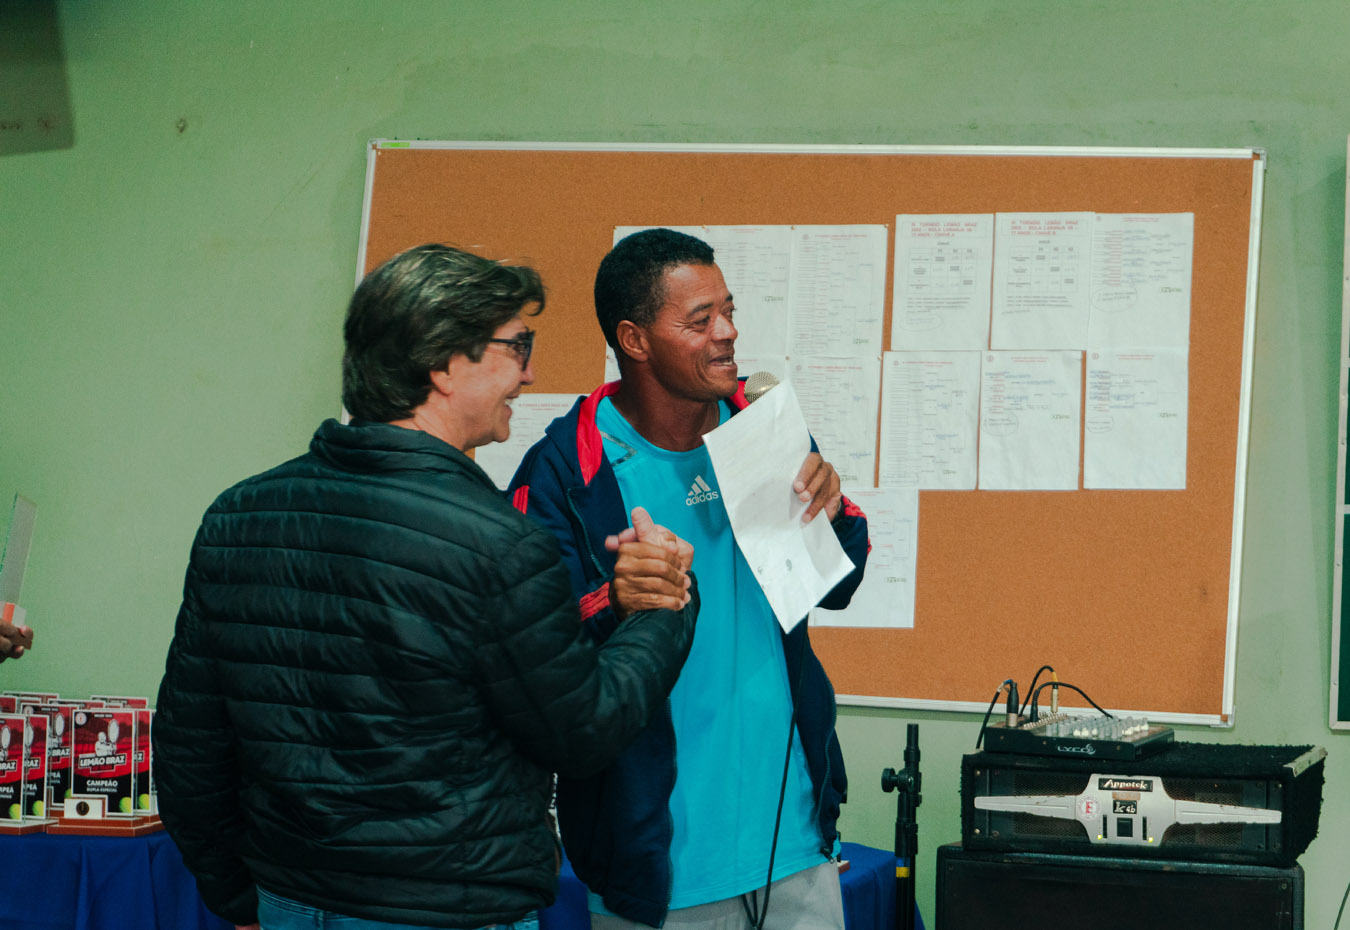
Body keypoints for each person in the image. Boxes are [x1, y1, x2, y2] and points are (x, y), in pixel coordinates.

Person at [153, 244, 701, 930]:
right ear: (442, 366)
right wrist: (665, 605)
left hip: (290, 902)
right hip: (449, 911)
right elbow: (582, 731)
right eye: (516, 346)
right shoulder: (499, 544)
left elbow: (190, 747)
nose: (529, 373)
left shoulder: (237, 517)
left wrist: (238, 898)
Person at [508, 228, 870, 930]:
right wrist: (615, 600)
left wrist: (834, 512)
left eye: (728, 311)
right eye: (700, 320)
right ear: (635, 340)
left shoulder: (761, 430)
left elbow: (836, 585)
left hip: (794, 844)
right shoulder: (564, 471)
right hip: (658, 868)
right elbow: (527, 651)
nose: (727, 333)